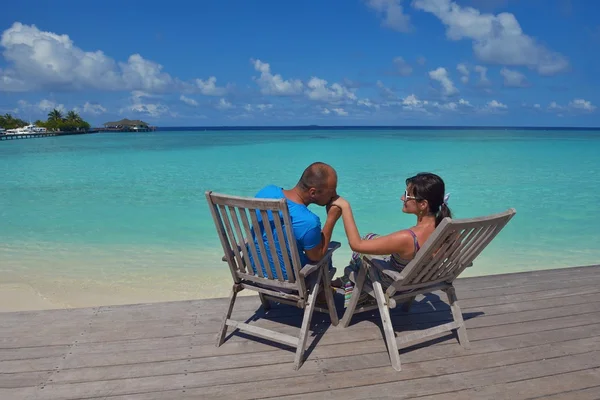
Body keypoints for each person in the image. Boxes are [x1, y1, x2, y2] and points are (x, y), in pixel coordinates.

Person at [330, 172, 451, 306]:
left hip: (394, 284)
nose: (402, 198)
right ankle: (345, 279)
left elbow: (356, 244)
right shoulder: (449, 229)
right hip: (420, 280)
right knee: (371, 237)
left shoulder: (408, 238)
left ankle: (351, 283)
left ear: (423, 204)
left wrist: (345, 207)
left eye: (406, 195)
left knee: (362, 249)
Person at [249, 162, 342, 280]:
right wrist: (331, 219)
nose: (335, 195)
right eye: (332, 191)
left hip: (256, 275)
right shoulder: (309, 222)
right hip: (288, 283)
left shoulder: (266, 192)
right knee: (325, 255)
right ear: (313, 192)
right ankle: (322, 294)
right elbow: (316, 256)